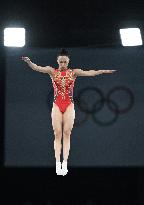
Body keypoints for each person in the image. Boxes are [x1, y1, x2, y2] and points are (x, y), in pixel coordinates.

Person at [21, 48, 117, 176]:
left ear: (68, 61)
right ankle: (57, 163)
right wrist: (29, 62)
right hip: (57, 104)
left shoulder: (74, 72)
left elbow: (90, 73)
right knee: (57, 133)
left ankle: (65, 162)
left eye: (65, 62)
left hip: (69, 105)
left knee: (67, 133)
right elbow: (37, 68)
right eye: (61, 62)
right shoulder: (52, 71)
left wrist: (103, 71)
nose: (63, 64)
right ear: (57, 61)